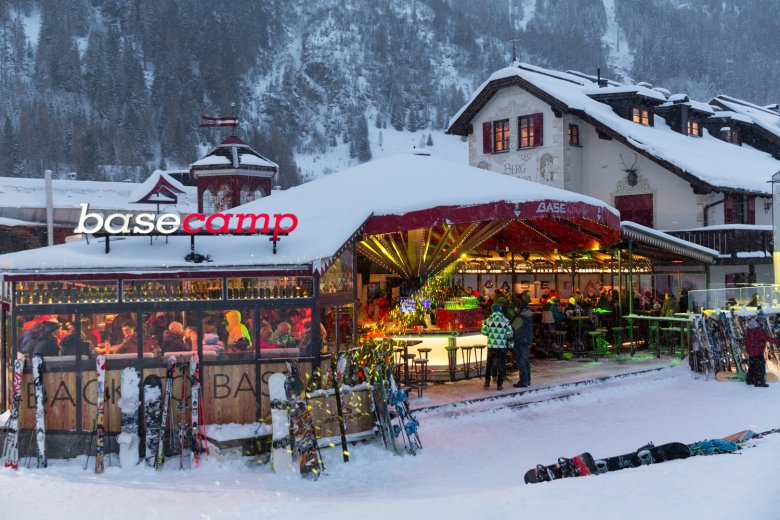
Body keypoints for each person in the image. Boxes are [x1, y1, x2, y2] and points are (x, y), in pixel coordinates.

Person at [482, 303, 513, 390]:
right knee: (501, 365)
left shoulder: (488, 320)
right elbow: (510, 334)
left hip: (491, 345)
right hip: (502, 346)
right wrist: (510, 344)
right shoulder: (506, 321)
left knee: (489, 364)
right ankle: (500, 384)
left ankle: (487, 382)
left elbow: (483, 332)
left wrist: (491, 333)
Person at [744, 319, 777, 387]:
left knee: (752, 366)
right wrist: (776, 341)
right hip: (758, 351)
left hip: (751, 352)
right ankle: (759, 382)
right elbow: (766, 337)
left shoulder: (749, 330)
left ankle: (749, 380)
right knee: (760, 368)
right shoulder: (758, 330)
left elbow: (747, 341)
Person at [512, 290, 534, 388]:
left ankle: (523, 381)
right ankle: (527, 380)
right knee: (525, 360)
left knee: (521, 360)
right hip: (527, 339)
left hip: (521, 340)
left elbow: (512, 328)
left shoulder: (520, 318)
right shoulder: (527, 315)